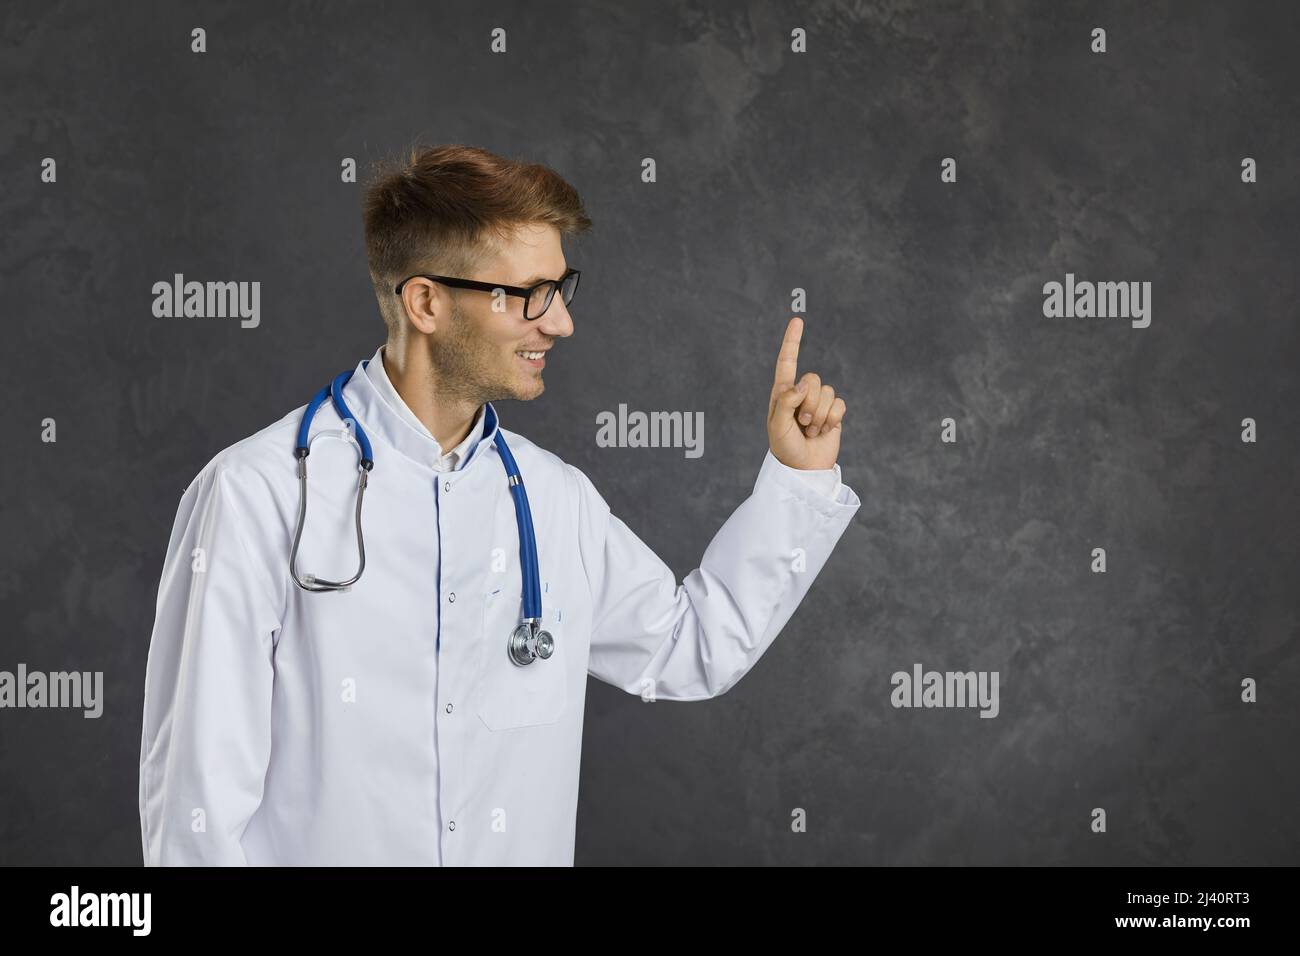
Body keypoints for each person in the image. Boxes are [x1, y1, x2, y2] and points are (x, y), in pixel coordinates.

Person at [138, 144, 860, 866]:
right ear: (426, 302)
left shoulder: (554, 501)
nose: (559, 324)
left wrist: (796, 484)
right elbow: (194, 817)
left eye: (561, 289)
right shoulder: (256, 494)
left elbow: (690, 649)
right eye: (527, 295)